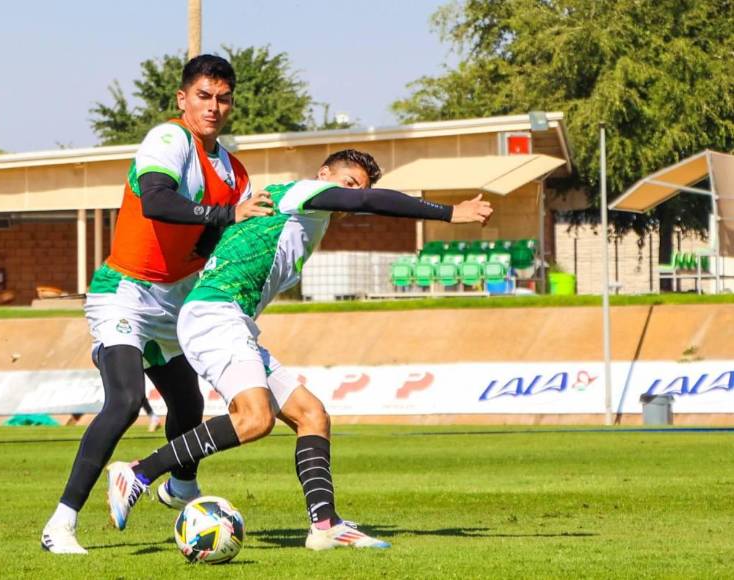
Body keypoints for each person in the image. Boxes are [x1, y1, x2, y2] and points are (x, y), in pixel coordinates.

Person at [104, 149, 493, 550]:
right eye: (348, 184)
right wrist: (450, 213)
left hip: (231, 320)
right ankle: (137, 473)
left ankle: (324, 526)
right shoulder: (302, 193)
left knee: (312, 415)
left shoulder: (304, 214)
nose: (354, 195)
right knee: (254, 419)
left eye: (361, 187)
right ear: (325, 174)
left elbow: (217, 241)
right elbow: (367, 202)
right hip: (213, 316)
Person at [41, 54, 274, 555]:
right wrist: (226, 213)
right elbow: (156, 201)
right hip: (124, 291)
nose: (214, 107)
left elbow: (230, 236)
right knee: (125, 402)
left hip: (176, 300)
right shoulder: (169, 139)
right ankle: (60, 525)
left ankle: (180, 487)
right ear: (183, 99)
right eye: (204, 96)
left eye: (223, 98)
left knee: (189, 404)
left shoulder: (234, 170)